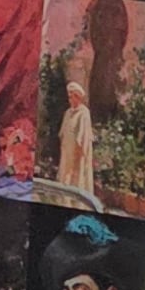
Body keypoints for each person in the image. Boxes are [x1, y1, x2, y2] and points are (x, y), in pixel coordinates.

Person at [55, 58, 98, 199]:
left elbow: (84, 136)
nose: (70, 100)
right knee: (65, 176)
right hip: (67, 150)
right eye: (69, 97)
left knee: (76, 176)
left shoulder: (84, 113)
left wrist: (80, 150)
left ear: (78, 97)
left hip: (77, 152)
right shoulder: (68, 113)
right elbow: (63, 133)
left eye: (72, 97)